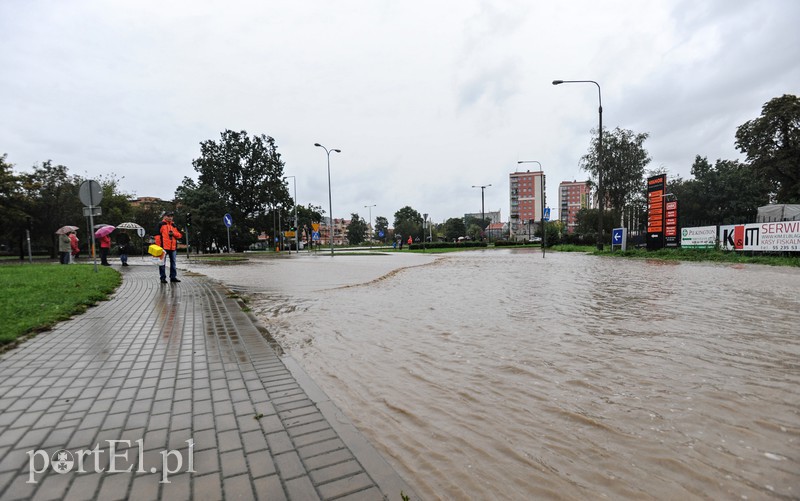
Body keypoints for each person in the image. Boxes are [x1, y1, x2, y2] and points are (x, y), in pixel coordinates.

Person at [155, 212, 182, 283]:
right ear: (164, 216)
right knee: (162, 263)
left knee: (173, 262)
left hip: (173, 247)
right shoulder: (161, 224)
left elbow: (179, 235)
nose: (170, 217)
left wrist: (173, 234)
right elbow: (157, 236)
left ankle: (173, 277)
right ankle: (162, 278)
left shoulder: (174, 225)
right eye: (168, 216)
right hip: (163, 247)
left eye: (171, 216)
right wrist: (158, 246)